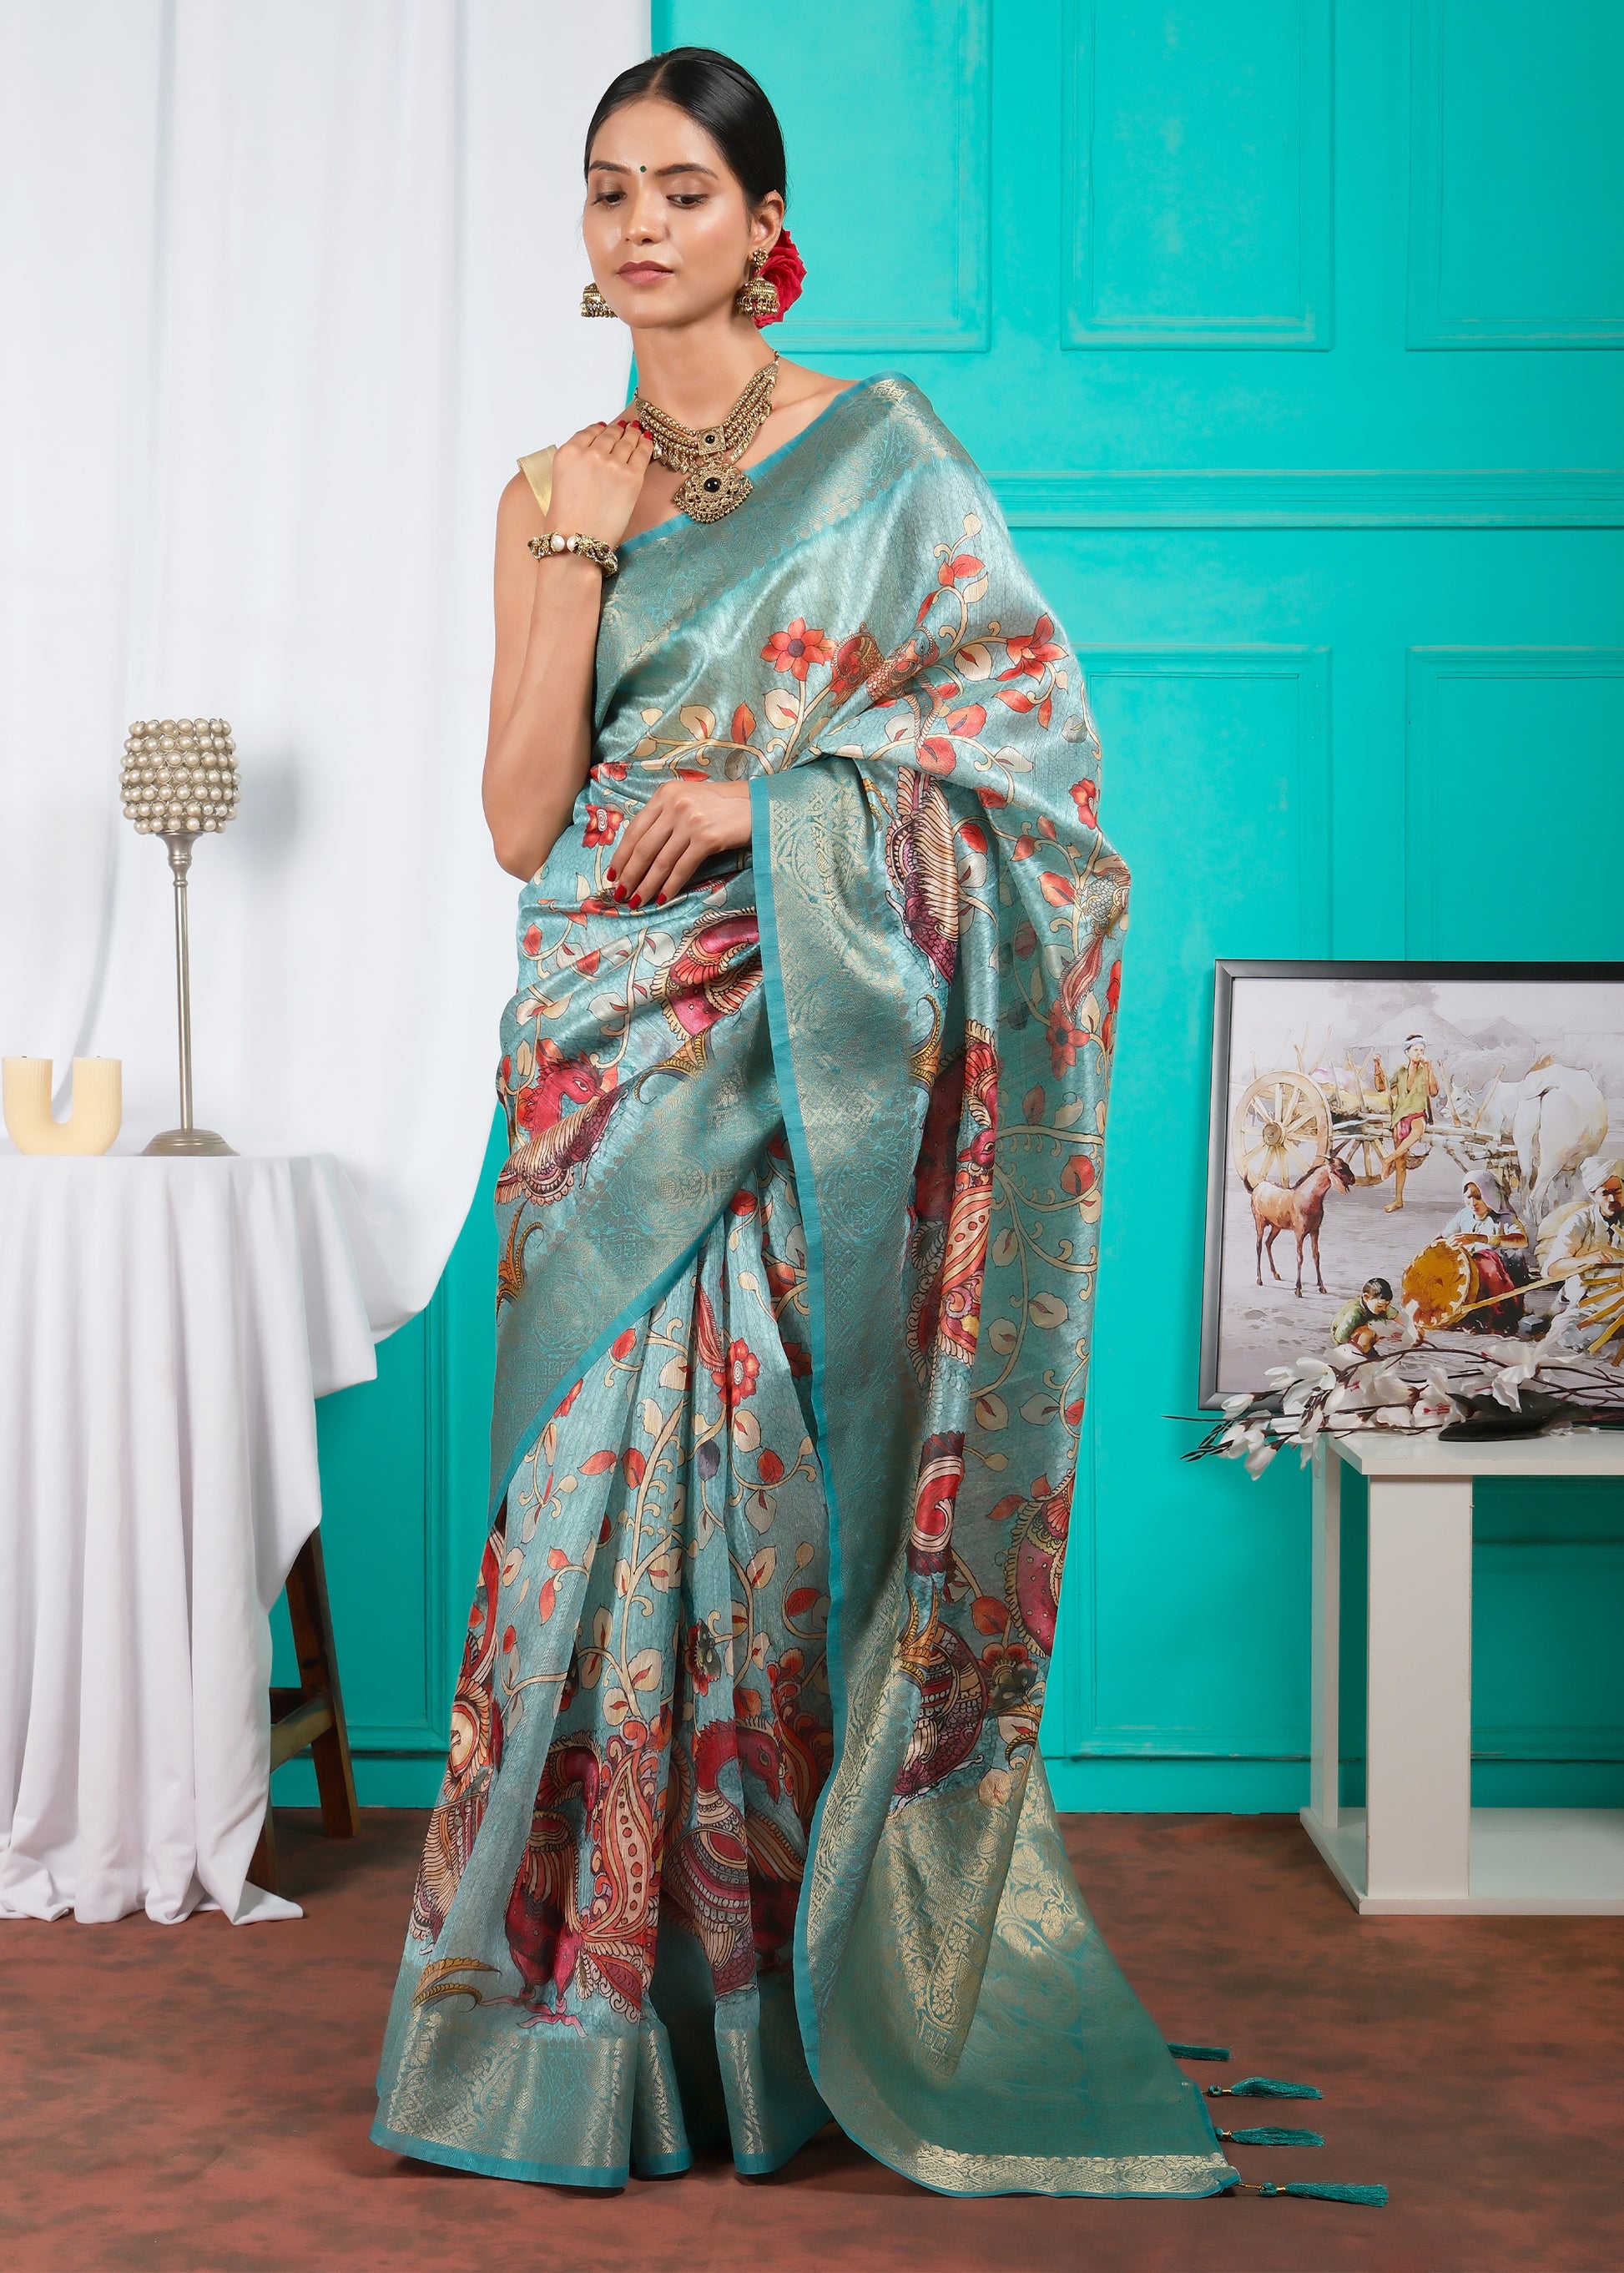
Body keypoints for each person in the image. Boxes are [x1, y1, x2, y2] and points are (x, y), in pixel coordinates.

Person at [370, 48, 1231, 2201]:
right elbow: (513, 819)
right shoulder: (555, 479)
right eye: (605, 193)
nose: (640, 226)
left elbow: (1030, 775)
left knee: (751, 1529)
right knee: (574, 1523)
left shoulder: (884, 461)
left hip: (785, 1050)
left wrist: (768, 811)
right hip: (602, 1049)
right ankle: (564, 2033)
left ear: (766, 223)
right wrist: (570, 554)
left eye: (682, 189)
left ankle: (745, 2033)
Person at [1543, 1155, 1624, 1358]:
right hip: (1590, 1309)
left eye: (1618, 1192)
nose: (1613, 1199)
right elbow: (1552, 1270)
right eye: (1606, 1193)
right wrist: (1586, 1259)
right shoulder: (1580, 1222)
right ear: (1592, 1194)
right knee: (1565, 1333)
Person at [1438, 1169, 1528, 1335]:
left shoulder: (1503, 1218)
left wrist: (1479, 1238)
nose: (1473, 1203)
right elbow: (1443, 1238)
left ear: (1490, 1195)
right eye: (1469, 1198)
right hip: (1473, 1279)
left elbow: (1522, 1240)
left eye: (1478, 1197)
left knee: (1484, 1259)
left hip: (1502, 1279)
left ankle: (1499, 1318)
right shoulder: (1464, 1215)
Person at [1379, 1035, 1439, 1213]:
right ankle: (1398, 1200)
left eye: (1422, 1050)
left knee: (1417, 1130)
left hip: (1418, 1114)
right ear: (1407, 1052)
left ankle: (1387, 1158)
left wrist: (1430, 1067)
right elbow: (1382, 1087)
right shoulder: (1401, 1071)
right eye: (1416, 1050)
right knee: (1401, 1163)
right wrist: (1377, 1067)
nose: (1419, 1054)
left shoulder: (1425, 1069)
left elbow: (1433, 1091)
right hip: (1400, 1117)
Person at [1332, 1277, 1395, 1353]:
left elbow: (1397, 1316)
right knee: (1373, 1328)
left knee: (1379, 1325)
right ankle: (1360, 1352)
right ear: (1366, 1298)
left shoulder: (1378, 1304)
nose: (1384, 1309)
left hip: (1360, 1336)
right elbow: (1340, 1337)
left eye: (1387, 1305)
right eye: (1380, 1306)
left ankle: (1366, 1350)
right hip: (1344, 1339)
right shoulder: (1355, 1313)